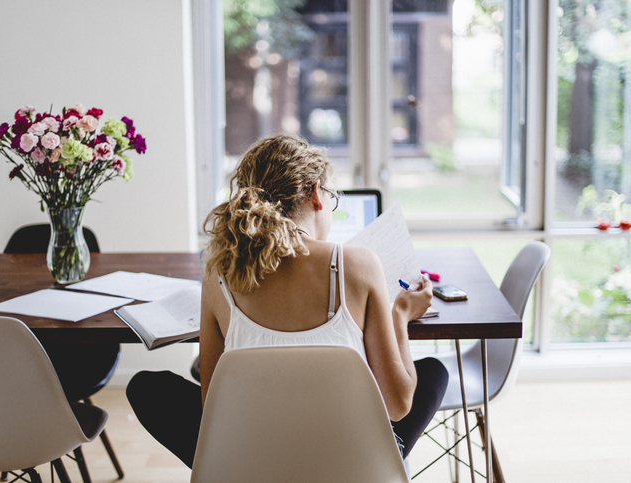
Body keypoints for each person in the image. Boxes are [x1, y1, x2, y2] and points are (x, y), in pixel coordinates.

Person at [126, 133, 448, 468]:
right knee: (434, 372)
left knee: (147, 386)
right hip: (349, 464)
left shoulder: (218, 273)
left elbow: (213, 408)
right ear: (315, 195)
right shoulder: (360, 264)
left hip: (252, 463)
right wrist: (399, 314)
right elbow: (397, 406)